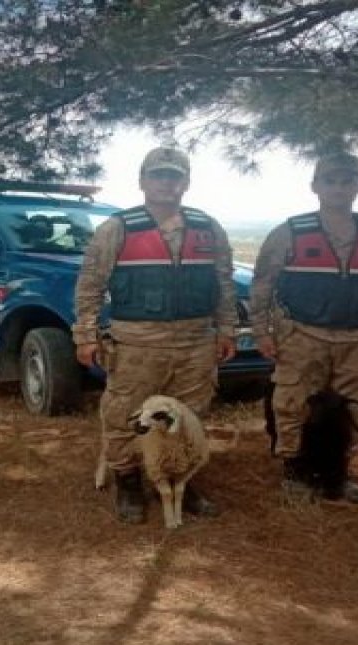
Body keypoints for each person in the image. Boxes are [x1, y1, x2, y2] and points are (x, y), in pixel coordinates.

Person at [74, 146, 238, 524]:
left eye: (174, 176)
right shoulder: (117, 229)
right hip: (137, 345)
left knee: (190, 418)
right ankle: (128, 482)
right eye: (158, 175)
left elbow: (223, 285)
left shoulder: (207, 228)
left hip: (195, 344)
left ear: (186, 182)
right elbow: (90, 287)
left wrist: (226, 329)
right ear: (143, 181)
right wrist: (85, 335)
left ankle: (184, 479)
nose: (167, 183)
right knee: (125, 416)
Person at [249, 152, 358, 504]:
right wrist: (261, 331)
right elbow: (262, 285)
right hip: (303, 336)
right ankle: (296, 472)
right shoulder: (290, 231)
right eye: (330, 181)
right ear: (316, 186)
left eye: (347, 181)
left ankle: (336, 473)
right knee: (292, 405)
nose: (339, 187)